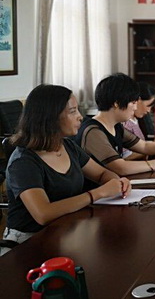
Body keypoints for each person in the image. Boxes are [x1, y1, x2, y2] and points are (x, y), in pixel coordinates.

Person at [2, 85, 131, 255]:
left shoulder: (68, 146)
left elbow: (101, 173)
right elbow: (43, 213)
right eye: (72, 111)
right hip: (29, 242)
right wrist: (98, 193)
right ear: (50, 117)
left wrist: (116, 182)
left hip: (66, 231)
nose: (80, 116)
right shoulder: (23, 161)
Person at [76, 73, 155, 176]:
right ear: (117, 103)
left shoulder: (116, 126)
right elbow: (121, 167)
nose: (135, 107)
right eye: (133, 102)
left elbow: (144, 146)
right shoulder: (93, 131)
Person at [122, 82, 155, 161]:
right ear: (138, 100)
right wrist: (154, 145)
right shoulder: (125, 124)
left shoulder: (136, 121)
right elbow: (125, 157)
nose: (148, 110)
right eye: (148, 106)